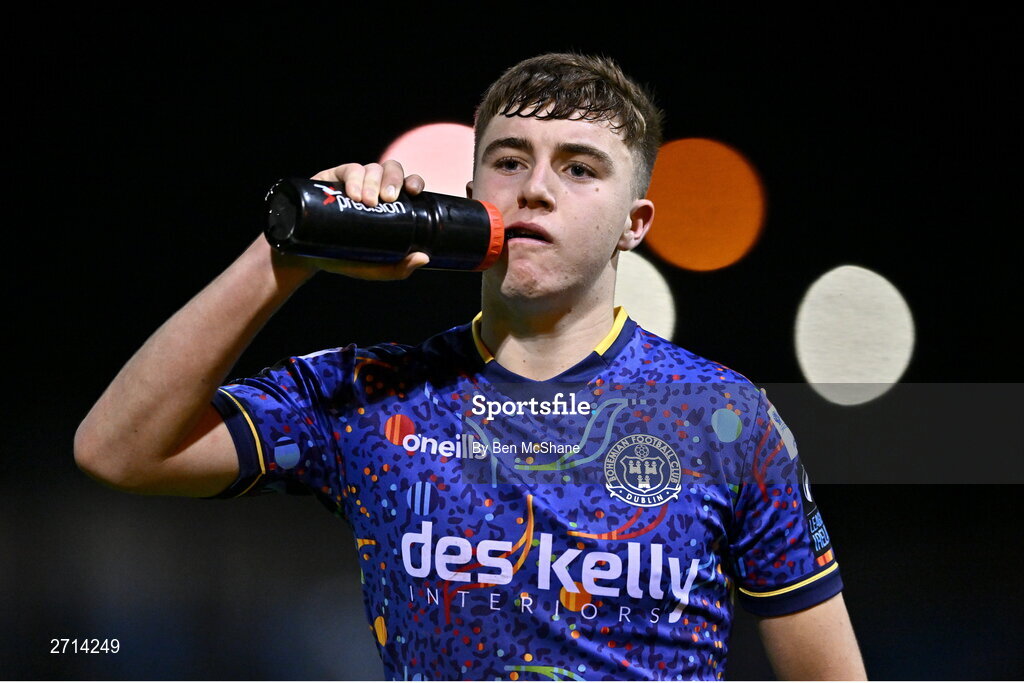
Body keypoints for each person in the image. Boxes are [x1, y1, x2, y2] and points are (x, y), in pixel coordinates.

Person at [75, 53, 866, 680]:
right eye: (511, 160)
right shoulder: (370, 394)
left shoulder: (725, 417)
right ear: (473, 189)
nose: (536, 190)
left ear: (635, 223)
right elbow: (117, 449)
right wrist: (290, 250)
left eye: (580, 168)